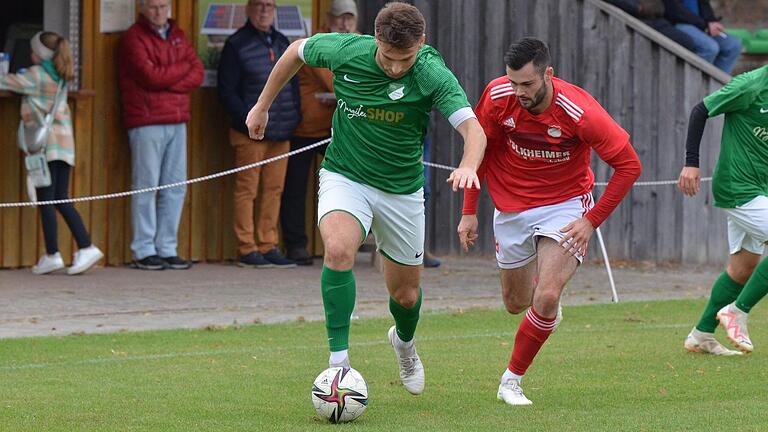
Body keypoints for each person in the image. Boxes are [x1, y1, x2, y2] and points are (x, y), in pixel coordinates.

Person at [246, 2, 486, 395]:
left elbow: (474, 131)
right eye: (389, 57)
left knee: (406, 296)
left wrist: (469, 165)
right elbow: (294, 52)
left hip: (401, 190)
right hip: (346, 175)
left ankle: (404, 343)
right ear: (375, 40)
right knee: (339, 250)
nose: (395, 67)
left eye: (404, 58)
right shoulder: (346, 50)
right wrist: (262, 105)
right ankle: (338, 365)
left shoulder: (431, 72)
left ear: (421, 43)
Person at [459, 38, 642, 405]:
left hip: (564, 204)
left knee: (545, 296)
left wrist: (590, 221)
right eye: (513, 82)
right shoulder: (497, 97)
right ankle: (545, 316)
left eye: (527, 84)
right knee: (516, 303)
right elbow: (480, 149)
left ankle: (511, 381)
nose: (518, 92)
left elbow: (629, 166)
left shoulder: (580, 112)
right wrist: (469, 210)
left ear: (548, 74)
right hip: (510, 206)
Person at [679, 65, 768, 356]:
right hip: (738, 187)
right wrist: (691, 162)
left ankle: (701, 334)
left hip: (761, 191)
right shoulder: (751, 85)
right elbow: (700, 110)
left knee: (743, 269)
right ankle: (737, 312)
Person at [0, 32, 104, 275]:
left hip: (46, 146)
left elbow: (5, 82)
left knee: (50, 200)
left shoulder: (36, 75)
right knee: (57, 197)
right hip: (64, 145)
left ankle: (75, 248)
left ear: (39, 53)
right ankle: (56, 252)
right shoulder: (60, 75)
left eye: (33, 50)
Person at [119, 0, 203, 270]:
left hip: (178, 119)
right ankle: (144, 249)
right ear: (142, 8)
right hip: (147, 120)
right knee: (146, 185)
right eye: (153, 7)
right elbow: (149, 76)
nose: (159, 12)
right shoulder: (134, 37)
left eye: (163, 6)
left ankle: (167, 247)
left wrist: (168, 79)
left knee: (175, 186)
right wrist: (178, 76)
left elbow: (197, 71)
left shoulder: (178, 35)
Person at [219, 0, 301, 269]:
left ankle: (268, 244)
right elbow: (227, 91)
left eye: (269, 5)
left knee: (274, 190)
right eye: (259, 5)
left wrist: (295, 117)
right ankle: (247, 247)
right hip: (249, 133)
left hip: (281, 130)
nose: (264, 10)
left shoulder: (281, 42)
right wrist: (247, 121)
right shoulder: (236, 44)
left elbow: (294, 85)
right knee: (247, 190)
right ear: (248, 9)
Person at [279, 0, 359, 266]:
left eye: (349, 18)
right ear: (328, 19)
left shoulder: (362, 43)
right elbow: (336, 81)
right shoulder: (321, 43)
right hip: (306, 128)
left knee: (351, 183)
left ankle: (349, 243)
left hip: (340, 130)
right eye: (339, 18)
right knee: (296, 189)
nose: (344, 23)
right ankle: (296, 245)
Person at [664, 0, 742, 74]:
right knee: (709, 48)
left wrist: (712, 21)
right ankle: (697, 83)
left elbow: (704, 4)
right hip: (678, 23)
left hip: (701, 24)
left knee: (734, 45)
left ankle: (719, 86)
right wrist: (705, 25)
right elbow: (675, 11)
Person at [606, 0, 696, 52]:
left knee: (689, 42)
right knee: (690, 43)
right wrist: (638, 8)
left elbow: (659, 7)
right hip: (641, 23)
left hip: (657, 21)